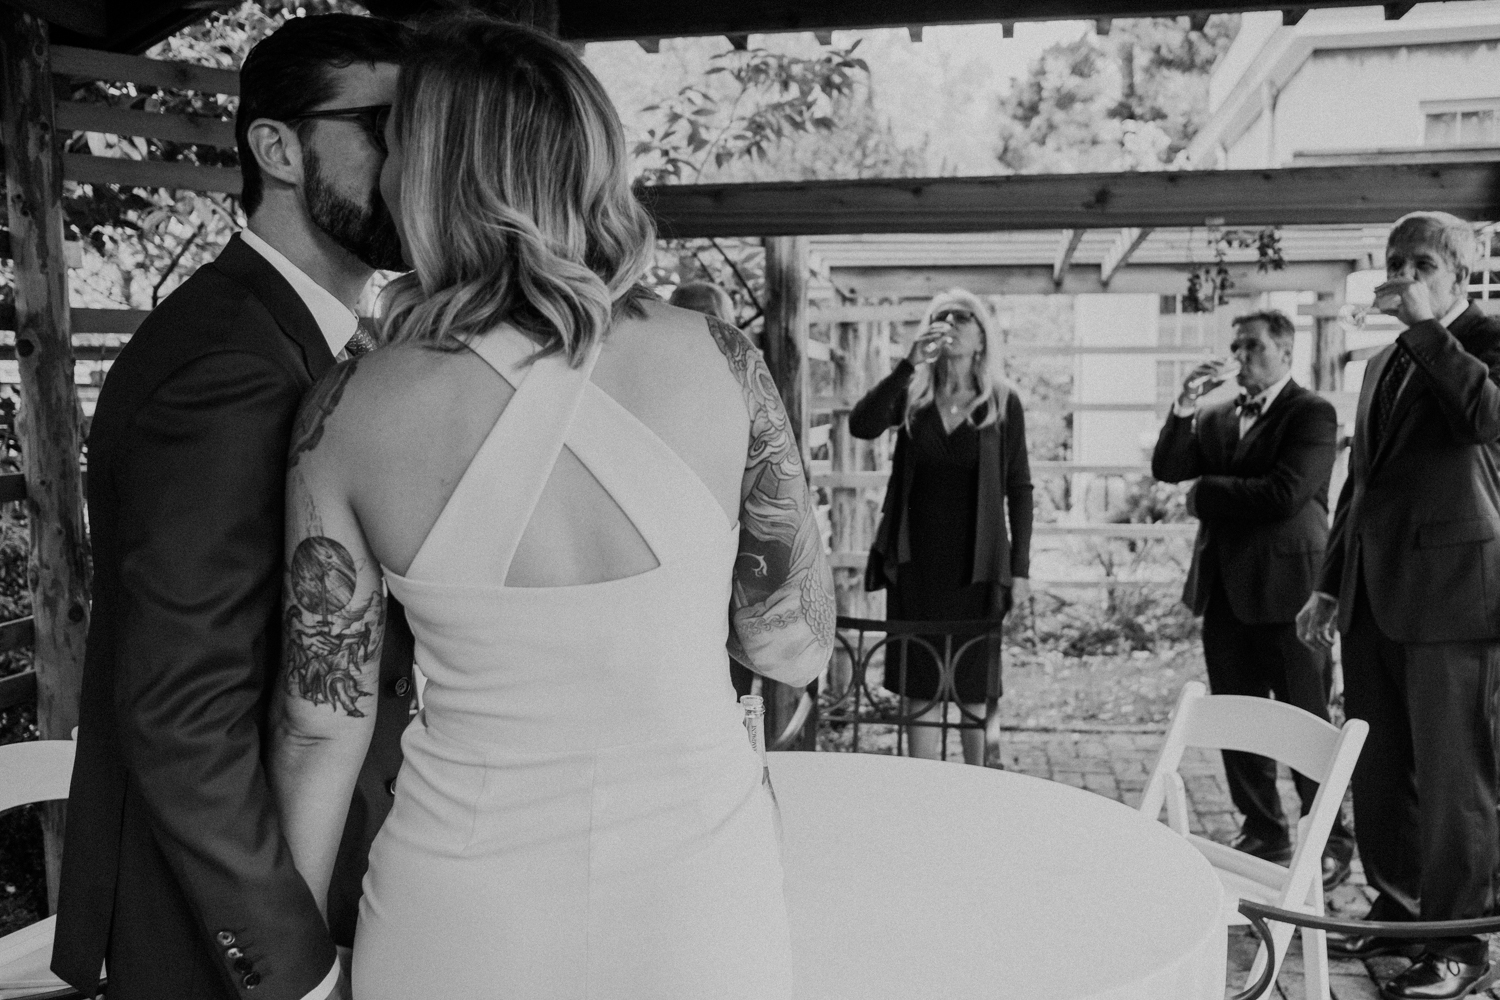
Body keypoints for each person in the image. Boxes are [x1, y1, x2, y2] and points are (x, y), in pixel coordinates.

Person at [267, 16, 833, 999]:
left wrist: (291, 969)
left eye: (401, 144)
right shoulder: (719, 364)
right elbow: (794, 643)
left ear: (435, 175)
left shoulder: (350, 412)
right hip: (698, 899)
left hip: (460, 915)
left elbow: (321, 724)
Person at [50, 16, 414, 1000]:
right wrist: (291, 969)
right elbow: (180, 709)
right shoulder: (228, 362)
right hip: (218, 938)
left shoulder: (322, 342)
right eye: (387, 121)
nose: (418, 154)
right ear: (276, 146)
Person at [1297, 213, 1500, 1000]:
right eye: (1394, 262)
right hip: (1374, 596)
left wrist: (1425, 332)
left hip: (1457, 598)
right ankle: (1398, 910)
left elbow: (1485, 419)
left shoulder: (1482, 339)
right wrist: (1328, 581)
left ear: (1459, 275)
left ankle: (1461, 947)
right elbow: (1364, 485)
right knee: (1381, 771)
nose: (1404, 274)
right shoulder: (1382, 363)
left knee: (1458, 781)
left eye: (1421, 263)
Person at [1152, 309, 1355, 890]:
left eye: (1254, 347)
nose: (1241, 357)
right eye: (1236, 346)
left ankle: (1330, 836)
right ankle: (1263, 827)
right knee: (1236, 718)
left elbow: (1284, 494)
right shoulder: (1216, 415)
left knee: (1305, 721)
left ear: (1285, 352)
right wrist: (1184, 407)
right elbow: (1168, 467)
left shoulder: (1311, 412)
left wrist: (1207, 492)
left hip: (1291, 594)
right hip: (1224, 594)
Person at [850, 289, 1032, 765]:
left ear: (982, 335)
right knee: (919, 689)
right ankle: (922, 794)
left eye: (963, 316)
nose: (951, 322)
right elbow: (861, 425)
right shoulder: (912, 396)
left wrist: (1022, 569)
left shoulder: (1003, 402)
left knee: (973, 692)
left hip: (977, 569)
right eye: (941, 315)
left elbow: (1020, 488)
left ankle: (981, 792)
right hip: (916, 567)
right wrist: (907, 364)